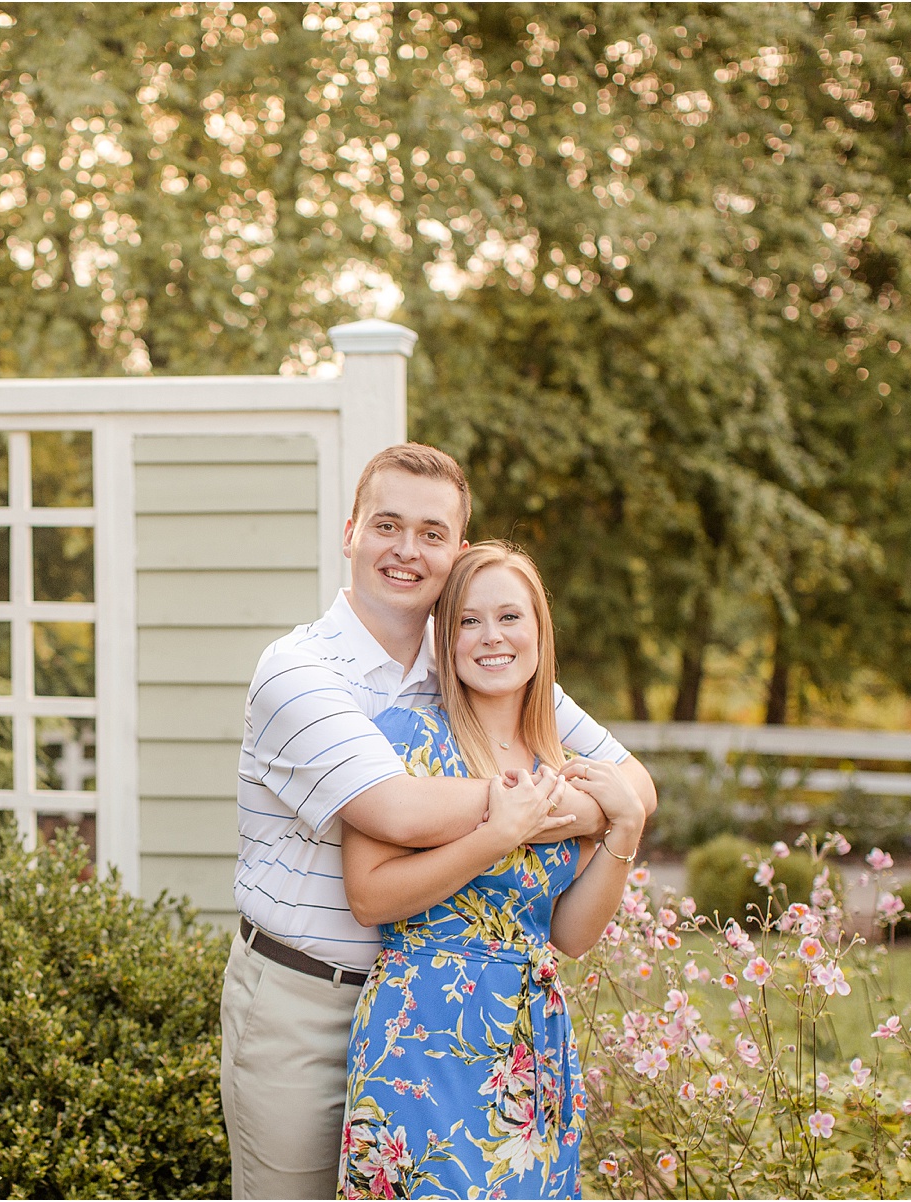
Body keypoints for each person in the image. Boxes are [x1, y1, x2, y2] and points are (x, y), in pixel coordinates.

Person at [222, 443, 657, 1199]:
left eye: (431, 533)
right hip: (308, 1000)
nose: (406, 550)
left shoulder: (473, 656)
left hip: (487, 1024)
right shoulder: (299, 672)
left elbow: (634, 786)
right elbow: (398, 808)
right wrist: (556, 808)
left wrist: (599, 812)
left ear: (456, 551)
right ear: (351, 530)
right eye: (387, 525)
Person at [336, 541, 648, 1198]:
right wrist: (494, 836)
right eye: (468, 622)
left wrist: (626, 827)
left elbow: (569, 935)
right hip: (421, 1034)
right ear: (443, 640)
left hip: (532, 1040)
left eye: (510, 618)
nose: (491, 637)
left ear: (540, 631)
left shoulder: (562, 761)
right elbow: (369, 898)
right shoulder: (403, 737)